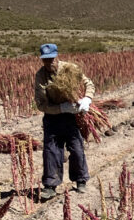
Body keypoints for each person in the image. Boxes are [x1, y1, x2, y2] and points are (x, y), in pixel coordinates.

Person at [34, 43, 94, 200]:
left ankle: (81, 180)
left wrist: (87, 98)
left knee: (76, 148)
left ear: (57, 56)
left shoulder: (70, 69)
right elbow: (41, 104)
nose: (48, 63)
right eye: (45, 60)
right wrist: (61, 108)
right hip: (52, 117)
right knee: (51, 150)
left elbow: (89, 83)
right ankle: (50, 185)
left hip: (71, 117)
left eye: (51, 59)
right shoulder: (40, 76)